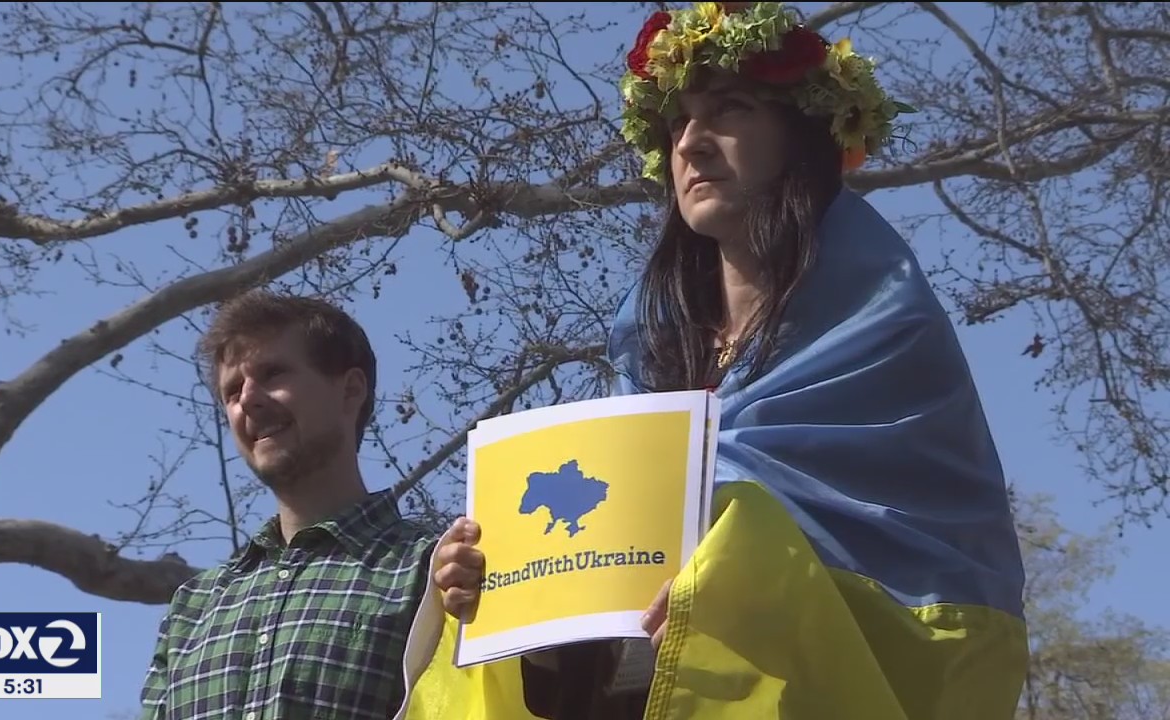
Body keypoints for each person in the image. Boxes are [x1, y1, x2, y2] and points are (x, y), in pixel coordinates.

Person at [409, 3, 1030, 719]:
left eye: (729, 110)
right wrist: (509, 601)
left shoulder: (887, 340)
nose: (693, 144)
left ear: (802, 140)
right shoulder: (644, 373)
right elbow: (597, 641)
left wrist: (751, 592)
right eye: (678, 124)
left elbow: (923, 604)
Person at [138, 289, 439, 720]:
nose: (249, 400)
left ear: (350, 391)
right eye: (232, 390)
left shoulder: (433, 571)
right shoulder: (193, 607)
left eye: (273, 373)